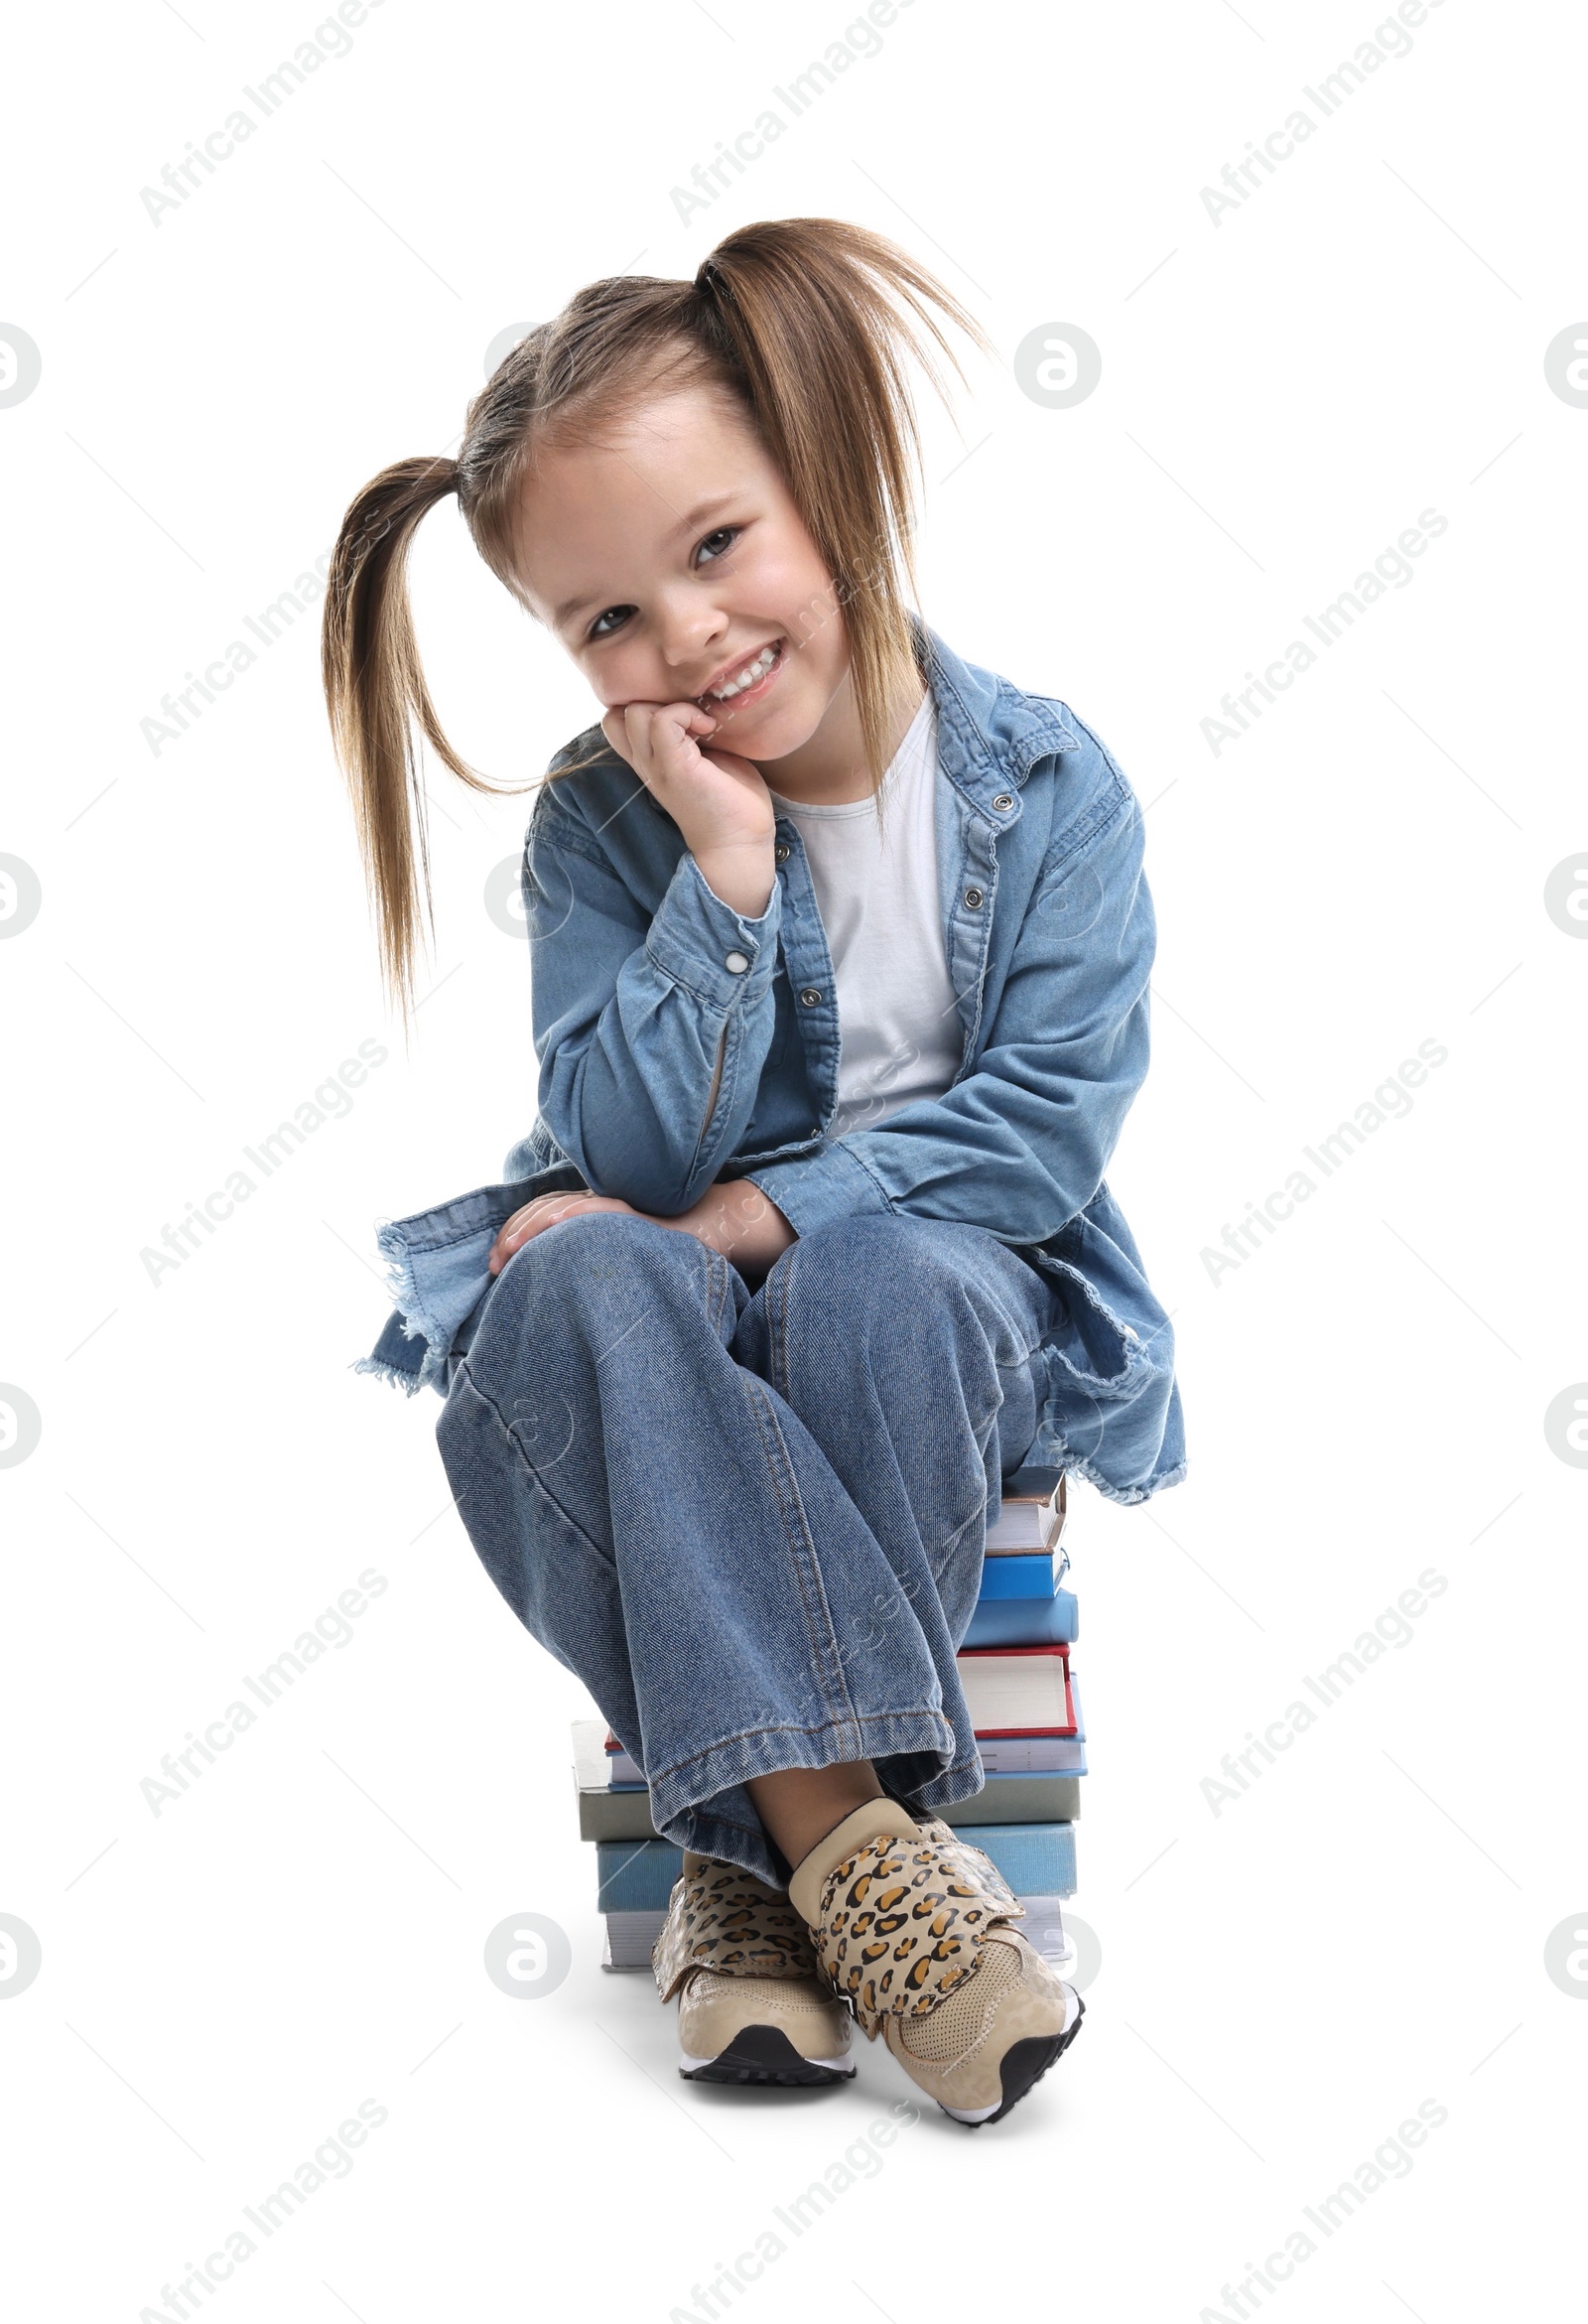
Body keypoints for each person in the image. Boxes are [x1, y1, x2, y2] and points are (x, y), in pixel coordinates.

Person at [321, 216, 1185, 2126]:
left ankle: (737, 1877)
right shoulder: (600, 822)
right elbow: (624, 1156)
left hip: (957, 1290)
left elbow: (1037, 1132)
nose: (686, 636)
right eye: (607, 618)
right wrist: (720, 875)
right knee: (566, 1274)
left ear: (826, 474)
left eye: (717, 547)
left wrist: (757, 1215)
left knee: (872, 1280)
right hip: (678, 1290)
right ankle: (865, 1863)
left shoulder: (1048, 787)